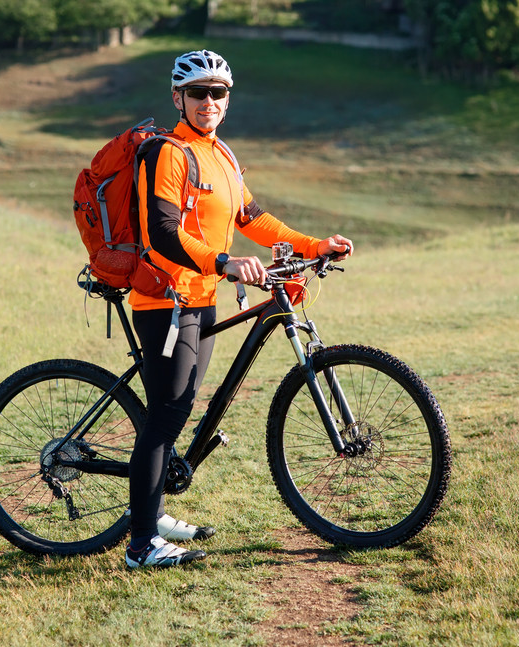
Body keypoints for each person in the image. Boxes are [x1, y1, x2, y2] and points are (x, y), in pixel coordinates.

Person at [125, 49, 354, 569]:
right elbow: (160, 234)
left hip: (201, 300)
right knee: (165, 418)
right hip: (168, 299)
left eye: (218, 92)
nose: (209, 101)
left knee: (176, 410)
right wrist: (224, 262)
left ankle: (151, 511)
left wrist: (314, 244)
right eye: (198, 92)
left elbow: (252, 217)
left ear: (228, 100)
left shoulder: (221, 156)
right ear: (178, 98)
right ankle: (140, 546)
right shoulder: (168, 153)